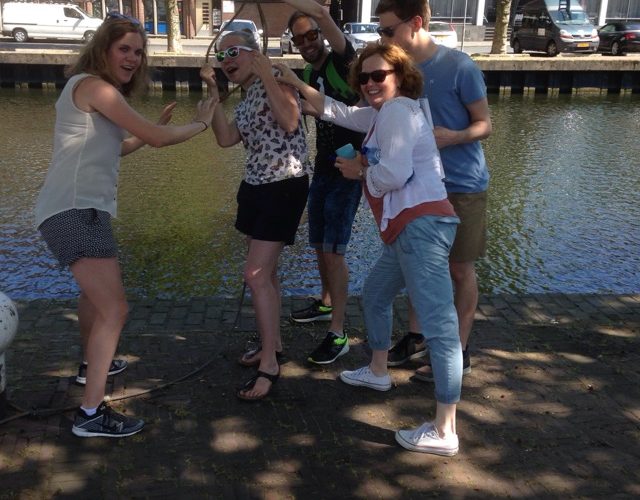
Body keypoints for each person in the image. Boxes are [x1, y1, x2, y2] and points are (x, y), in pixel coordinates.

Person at [34, 12, 217, 438]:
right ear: (103, 49)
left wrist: (151, 133)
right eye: (124, 49)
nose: (133, 58)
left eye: (138, 51)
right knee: (115, 309)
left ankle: (89, 367)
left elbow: (113, 149)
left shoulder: (90, 92)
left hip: (77, 210)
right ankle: (90, 413)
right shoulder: (94, 87)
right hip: (74, 212)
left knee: (95, 299)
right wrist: (202, 123)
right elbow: (156, 138)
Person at [276, 43, 463, 456]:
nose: (370, 83)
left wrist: (359, 171)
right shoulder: (383, 114)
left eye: (379, 75)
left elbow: (394, 174)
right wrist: (293, 82)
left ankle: (445, 429)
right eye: (364, 77)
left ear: (400, 76)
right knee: (376, 295)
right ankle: (378, 371)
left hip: (421, 227)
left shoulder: (397, 111)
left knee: (440, 327)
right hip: (404, 228)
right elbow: (337, 111)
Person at [375, 0, 492, 379]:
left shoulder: (459, 66)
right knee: (418, 266)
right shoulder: (398, 71)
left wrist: (453, 136)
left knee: (459, 269)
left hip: (462, 184)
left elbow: (485, 124)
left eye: (388, 31)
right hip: (419, 186)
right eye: (380, 32)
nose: (384, 39)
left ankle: (459, 350)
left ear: (415, 23)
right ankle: (417, 337)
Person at [200, 30, 311, 401]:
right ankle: (272, 344)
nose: (226, 60)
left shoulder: (279, 81)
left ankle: (269, 366)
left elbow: (291, 121)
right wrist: (213, 93)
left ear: (255, 52)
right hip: (254, 186)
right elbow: (226, 138)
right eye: (221, 56)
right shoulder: (247, 96)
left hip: (284, 185)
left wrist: (267, 74)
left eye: (233, 51)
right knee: (268, 273)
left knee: (255, 274)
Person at [283, 0, 365, 365]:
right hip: (324, 166)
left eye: (311, 35)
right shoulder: (307, 71)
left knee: (335, 251)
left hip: (350, 169)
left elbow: (322, 13)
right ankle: (326, 302)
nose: (307, 43)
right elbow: (307, 111)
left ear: (321, 34)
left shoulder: (343, 62)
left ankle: (338, 333)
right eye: (299, 39)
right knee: (318, 243)